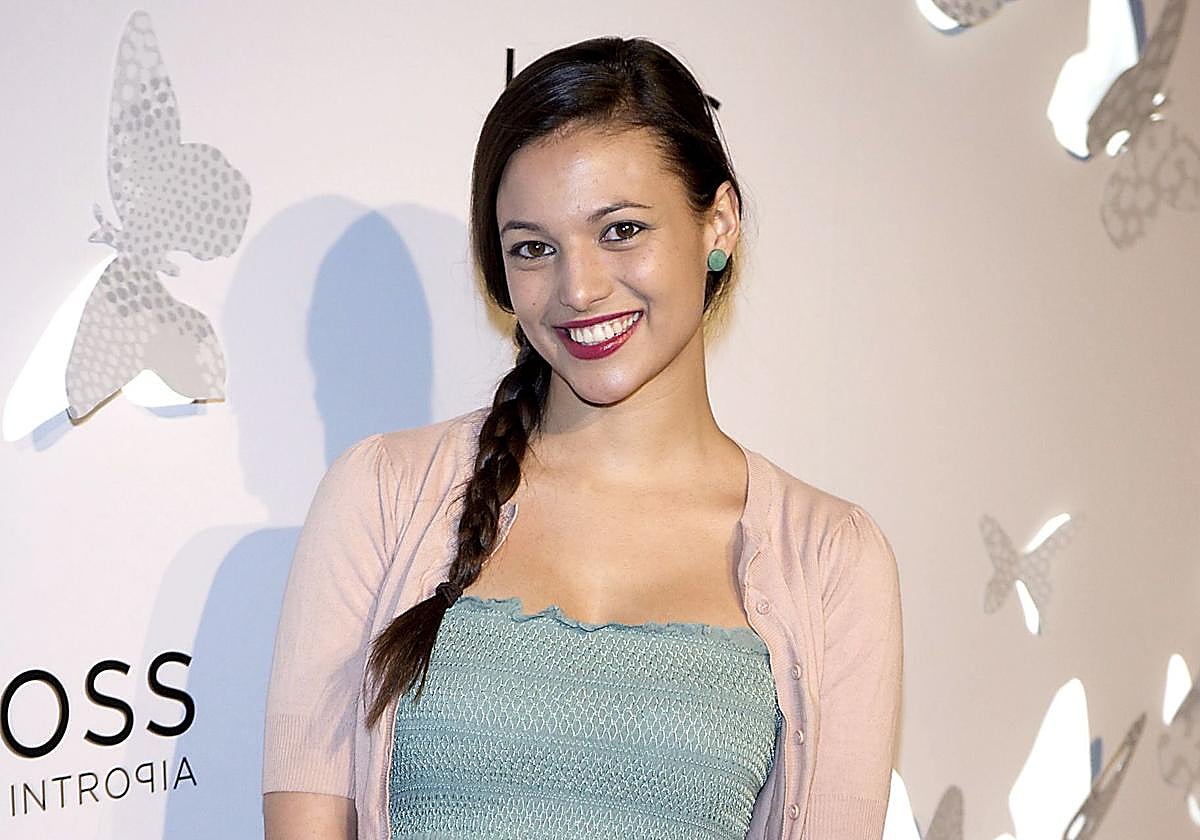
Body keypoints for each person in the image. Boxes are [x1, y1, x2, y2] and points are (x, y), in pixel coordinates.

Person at [261, 35, 903, 840]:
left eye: (622, 230)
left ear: (720, 222)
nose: (580, 288)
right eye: (534, 248)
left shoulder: (832, 558)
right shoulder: (382, 495)